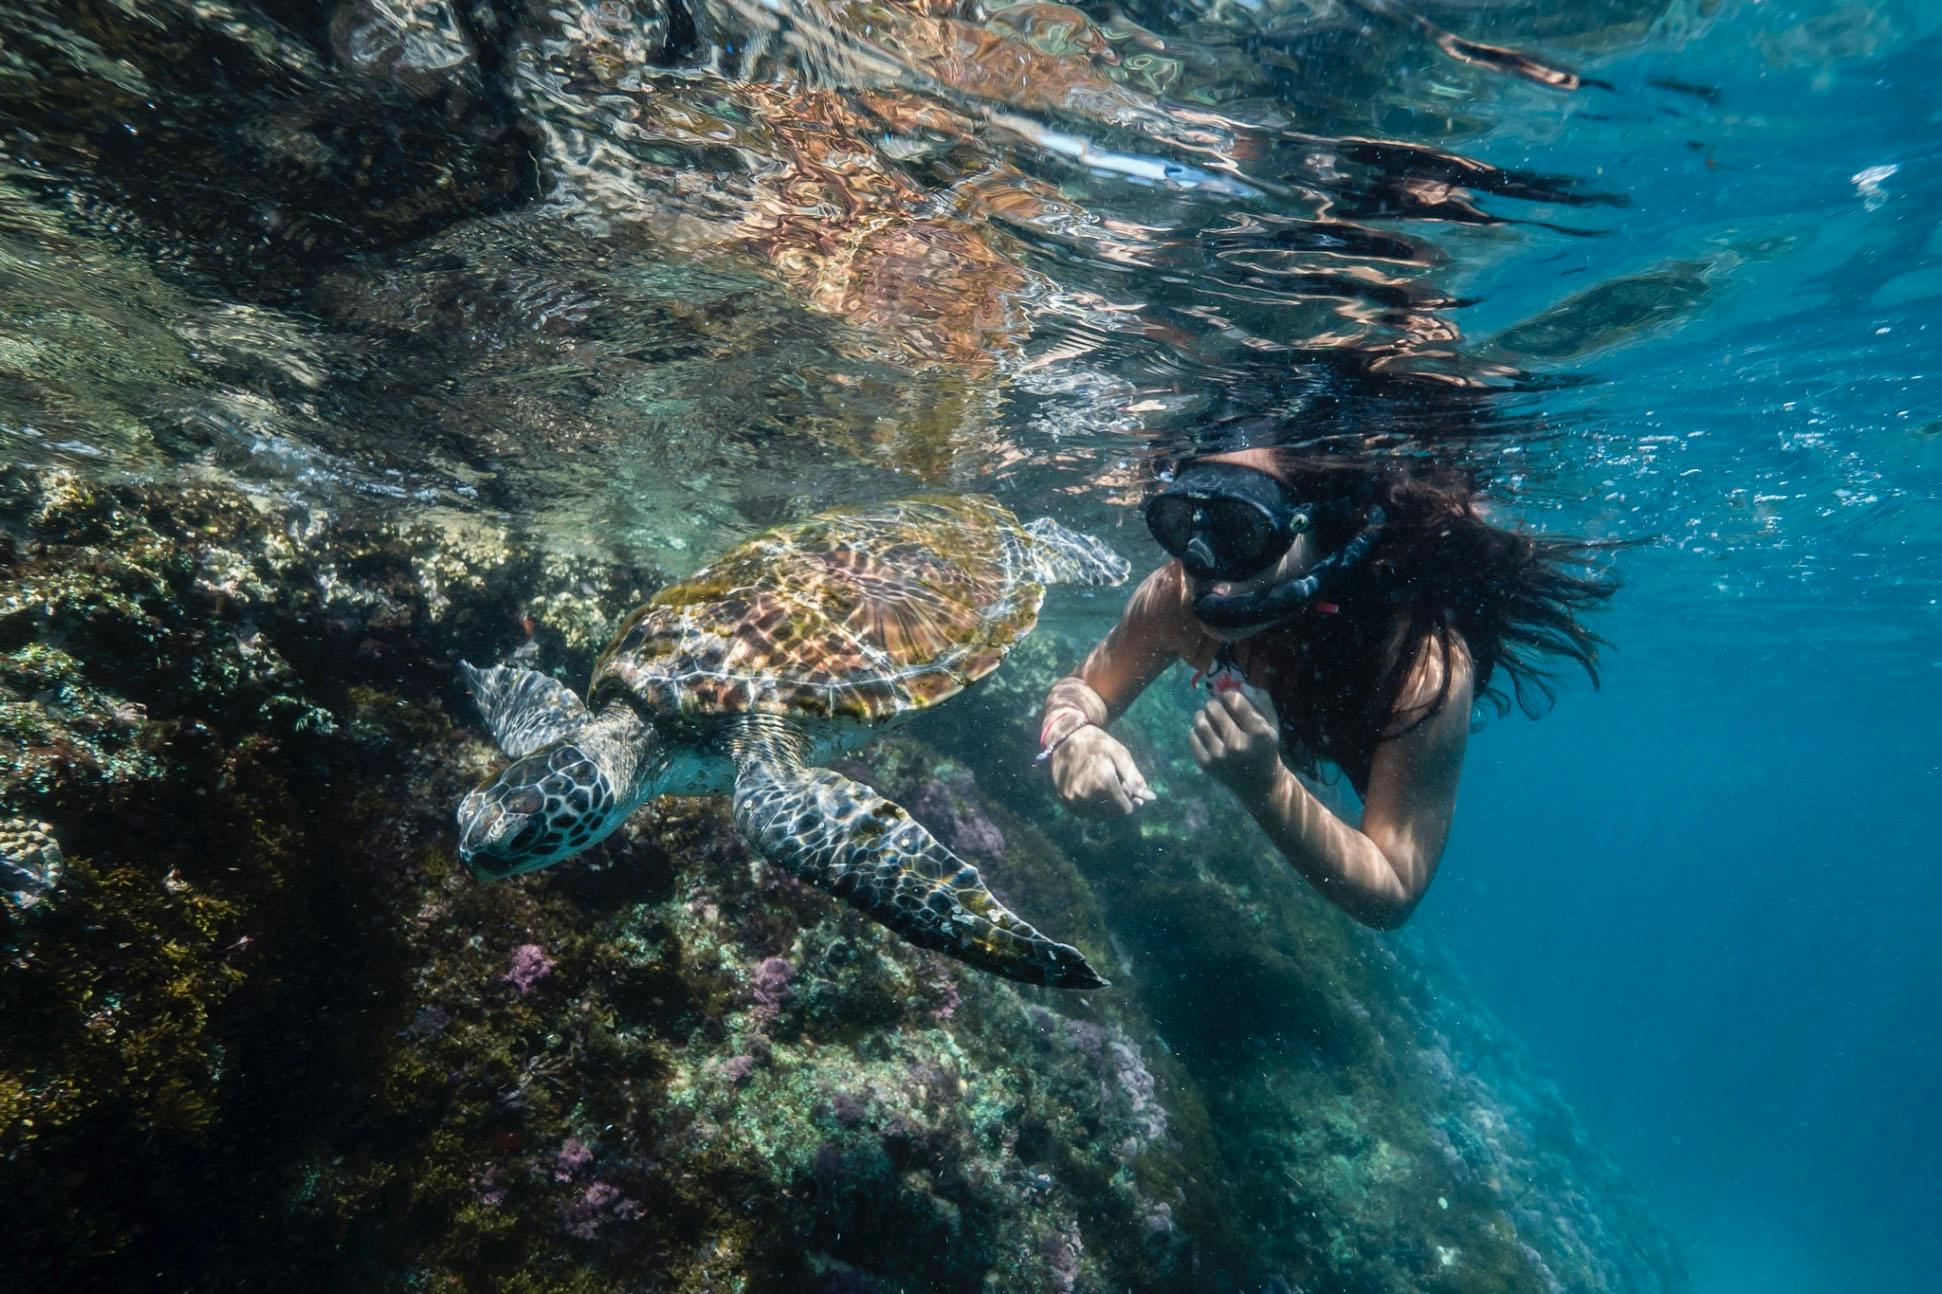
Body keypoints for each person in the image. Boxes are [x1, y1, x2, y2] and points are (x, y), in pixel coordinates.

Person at [1037, 447, 1614, 928]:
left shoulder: (1418, 660)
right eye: (1184, 523)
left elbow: (1394, 886)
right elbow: (1085, 689)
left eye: (1240, 530)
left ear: (1315, 527)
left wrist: (1264, 786)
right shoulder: (1178, 598)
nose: (1206, 568)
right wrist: (1072, 738)